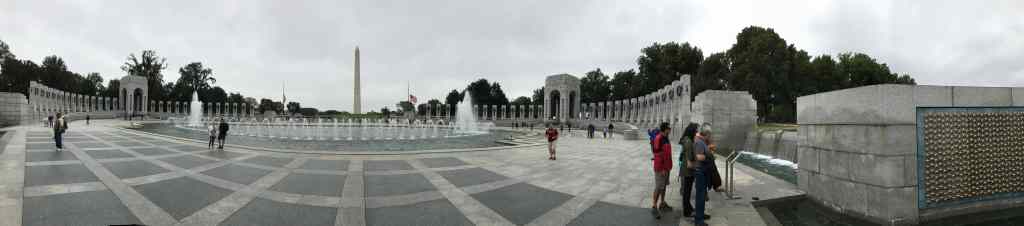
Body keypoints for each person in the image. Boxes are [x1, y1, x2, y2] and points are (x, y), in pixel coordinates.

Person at [679, 123, 709, 219]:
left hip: (686, 170)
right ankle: (687, 211)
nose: (697, 133)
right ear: (692, 131)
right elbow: (689, 163)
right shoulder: (688, 142)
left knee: (687, 191)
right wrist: (698, 166)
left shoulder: (687, 140)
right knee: (687, 192)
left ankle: (688, 209)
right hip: (688, 171)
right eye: (696, 131)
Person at [650, 122, 673, 219]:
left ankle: (662, 203)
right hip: (661, 168)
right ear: (665, 129)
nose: (670, 130)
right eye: (669, 128)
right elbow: (657, 155)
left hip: (667, 167)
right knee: (659, 187)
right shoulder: (658, 138)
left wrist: (668, 166)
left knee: (664, 186)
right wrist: (662, 168)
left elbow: (667, 153)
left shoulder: (666, 138)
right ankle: (654, 206)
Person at [693, 124, 714, 226]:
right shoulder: (700, 142)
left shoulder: (702, 141)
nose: (710, 136)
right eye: (710, 134)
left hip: (703, 172)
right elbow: (698, 157)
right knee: (700, 196)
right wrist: (709, 156)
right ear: (707, 133)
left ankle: (701, 214)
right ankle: (698, 220)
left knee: (702, 195)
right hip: (700, 172)